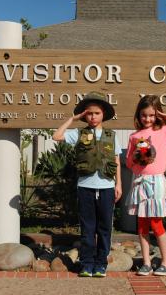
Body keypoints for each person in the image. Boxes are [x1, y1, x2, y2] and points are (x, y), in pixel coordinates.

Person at [53, 91, 122, 278]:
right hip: (85, 186)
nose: (93, 117)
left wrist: (119, 185)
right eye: (89, 113)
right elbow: (56, 136)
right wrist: (72, 119)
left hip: (107, 187)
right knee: (88, 228)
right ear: (85, 114)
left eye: (97, 113)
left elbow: (116, 160)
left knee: (105, 227)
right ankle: (87, 264)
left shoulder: (112, 135)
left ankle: (101, 264)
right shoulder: (78, 133)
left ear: (103, 115)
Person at [125, 95, 166, 276]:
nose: (147, 119)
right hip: (139, 181)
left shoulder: (164, 130)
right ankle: (146, 263)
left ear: (157, 115)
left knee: (156, 223)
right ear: (138, 115)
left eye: (152, 115)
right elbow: (129, 164)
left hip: (156, 181)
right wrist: (136, 158)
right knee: (142, 225)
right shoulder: (134, 136)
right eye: (144, 115)